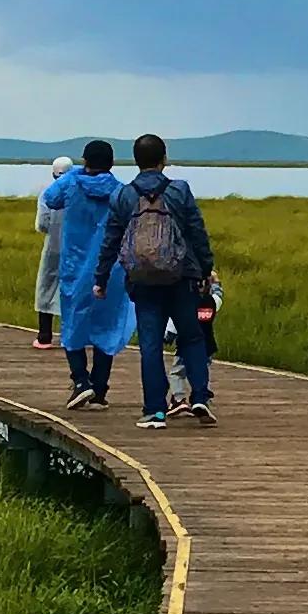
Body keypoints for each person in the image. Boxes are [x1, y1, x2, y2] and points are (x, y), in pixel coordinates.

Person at [94, 133, 216, 428]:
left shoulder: (123, 195)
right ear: (164, 159)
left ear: (136, 161)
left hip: (143, 280)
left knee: (150, 344)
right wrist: (206, 269)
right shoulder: (180, 190)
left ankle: (155, 410)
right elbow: (197, 232)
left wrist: (101, 278)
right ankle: (199, 395)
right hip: (182, 276)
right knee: (192, 337)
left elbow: (111, 240)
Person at [44, 142, 133, 405]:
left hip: (74, 266)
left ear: (85, 161)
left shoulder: (72, 183)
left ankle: (80, 379)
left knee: (72, 323)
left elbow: (50, 198)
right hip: (111, 268)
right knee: (107, 324)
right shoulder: (120, 190)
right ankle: (100, 386)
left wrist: (74, 173)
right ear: (112, 163)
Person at [33, 154, 71, 346]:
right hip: (75, 247)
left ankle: (44, 335)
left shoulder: (47, 192)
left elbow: (42, 224)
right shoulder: (78, 191)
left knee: (46, 287)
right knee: (71, 288)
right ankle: (69, 336)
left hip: (53, 246)